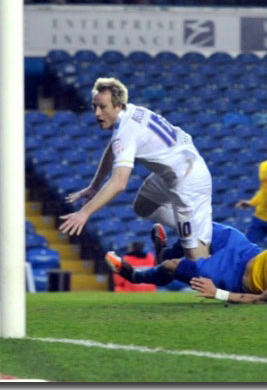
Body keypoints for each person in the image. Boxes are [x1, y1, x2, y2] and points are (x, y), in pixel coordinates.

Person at [107, 178, 267, 304]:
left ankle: (135, 275)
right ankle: (165, 253)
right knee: (201, 228)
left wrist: (218, 294)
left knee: (171, 267)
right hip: (246, 252)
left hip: (234, 279)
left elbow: (262, 299)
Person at [59, 78, 213, 261]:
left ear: (118, 105)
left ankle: (203, 241)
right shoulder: (131, 111)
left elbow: (119, 183)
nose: (97, 113)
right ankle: (196, 228)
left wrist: (84, 213)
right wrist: (94, 186)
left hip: (188, 181)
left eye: (103, 107)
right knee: (143, 206)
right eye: (94, 106)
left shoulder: (126, 132)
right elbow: (112, 149)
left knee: (196, 256)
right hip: (171, 172)